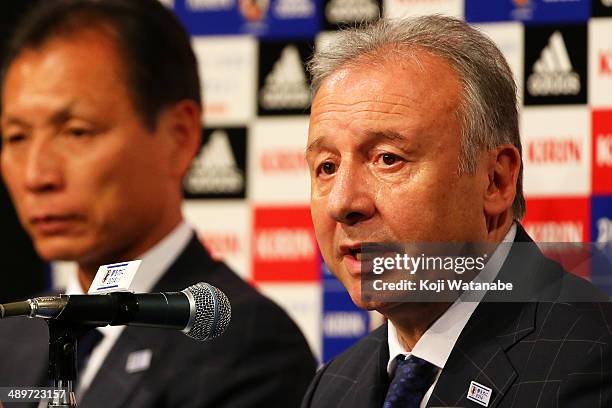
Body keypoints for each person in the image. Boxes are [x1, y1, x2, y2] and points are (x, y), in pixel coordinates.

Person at [0, 0, 316, 407]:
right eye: (16, 137)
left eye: (76, 132)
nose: (37, 176)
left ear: (179, 136)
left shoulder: (246, 343)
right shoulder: (13, 339)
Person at [302, 15, 612, 408]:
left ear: (495, 181)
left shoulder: (593, 363)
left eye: (387, 159)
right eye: (327, 167)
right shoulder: (332, 387)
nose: (343, 202)